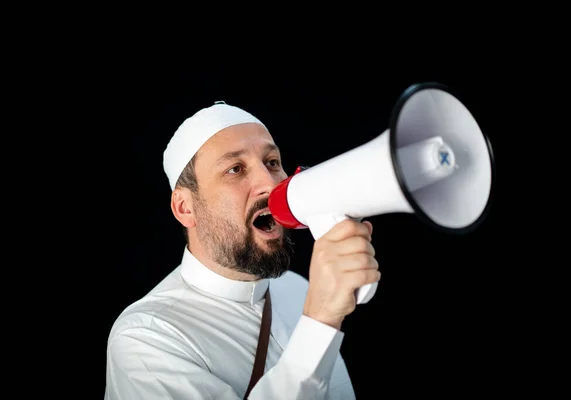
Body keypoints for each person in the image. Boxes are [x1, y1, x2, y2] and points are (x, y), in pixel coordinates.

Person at [104, 101, 381, 399]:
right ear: (185, 208)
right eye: (235, 169)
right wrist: (320, 320)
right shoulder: (146, 338)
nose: (270, 184)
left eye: (272, 162)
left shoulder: (298, 287)